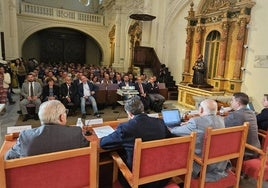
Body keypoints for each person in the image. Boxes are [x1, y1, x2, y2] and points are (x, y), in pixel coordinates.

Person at [100, 96, 172, 188]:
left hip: (136, 181)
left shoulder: (126, 128)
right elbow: (170, 138)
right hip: (162, 178)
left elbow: (103, 144)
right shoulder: (160, 122)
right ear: (142, 109)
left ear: (129, 113)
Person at [5, 100, 89, 160]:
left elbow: (8, 157)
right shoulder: (75, 132)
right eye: (65, 112)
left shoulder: (26, 137)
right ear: (62, 117)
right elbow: (89, 148)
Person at [170, 99, 229, 182]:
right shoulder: (221, 120)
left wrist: (187, 125)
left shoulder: (195, 122)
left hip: (200, 165)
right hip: (220, 164)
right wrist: (189, 124)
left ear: (201, 109)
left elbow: (174, 131)